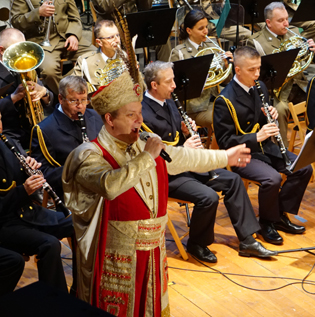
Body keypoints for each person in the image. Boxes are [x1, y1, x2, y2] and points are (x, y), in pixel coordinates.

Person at [62, 62, 256, 314]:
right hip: (114, 255)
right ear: (109, 119)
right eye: (131, 115)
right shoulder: (89, 155)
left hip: (153, 248)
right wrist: (147, 157)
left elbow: (182, 157)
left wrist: (225, 157)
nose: (140, 121)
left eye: (140, 113)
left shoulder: (141, 142)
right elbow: (109, 185)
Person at [142, 60, 276, 263]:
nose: (174, 86)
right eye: (169, 82)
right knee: (208, 197)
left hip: (188, 164)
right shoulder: (142, 113)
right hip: (166, 174)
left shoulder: (168, 100)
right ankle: (197, 243)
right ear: (154, 85)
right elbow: (157, 152)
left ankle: (247, 239)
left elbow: (173, 134)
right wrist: (184, 148)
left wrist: (185, 131)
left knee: (233, 180)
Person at [213, 46, 313, 246]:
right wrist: (256, 137)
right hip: (242, 153)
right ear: (238, 70)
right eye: (252, 70)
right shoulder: (224, 100)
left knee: (303, 168)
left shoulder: (260, 87)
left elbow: (263, 120)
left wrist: (272, 116)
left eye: (258, 68)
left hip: (266, 149)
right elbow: (225, 142)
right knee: (272, 179)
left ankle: (278, 216)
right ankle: (266, 222)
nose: (257, 74)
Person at [0, 111, 73, 292]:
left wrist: (29, 169)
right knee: (49, 244)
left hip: (27, 211)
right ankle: (54, 301)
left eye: (0, 119)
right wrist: (24, 190)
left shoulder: (7, 141)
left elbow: (17, 175)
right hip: (5, 223)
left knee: (76, 223)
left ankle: (81, 286)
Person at [246, 1, 315, 146]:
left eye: (286, 19)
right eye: (280, 20)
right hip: (276, 92)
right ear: (268, 23)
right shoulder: (255, 42)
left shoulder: (294, 33)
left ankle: (311, 144)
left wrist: (312, 51)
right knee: (280, 109)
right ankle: (282, 153)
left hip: (299, 85)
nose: (286, 24)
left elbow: (306, 61)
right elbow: (254, 75)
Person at [30, 76, 103, 202]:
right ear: (60, 99)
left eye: (84, 100)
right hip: (71, 195)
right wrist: (75, 168)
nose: (80, 106)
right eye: (74, 101)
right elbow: (43, 174)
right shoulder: (44, 130)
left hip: (102, 184)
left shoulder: (96, 116)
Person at [10, 0, 96, 96]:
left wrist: (74, 34)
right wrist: (38, 13)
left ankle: (69, 90)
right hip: (41, 42)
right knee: (49, 71)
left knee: (97, 56)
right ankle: (66, 98)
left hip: (67, 36)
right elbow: (16, 21)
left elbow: (75, 18)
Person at [169, 9, 233, 137]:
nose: (206, 31)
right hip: (194, 107)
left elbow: (226, 80)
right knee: (223, 121)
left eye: (206, 27)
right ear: (189, 30)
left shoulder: (211, 46)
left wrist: (227, 65)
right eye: (201, 28)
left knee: (237, 114)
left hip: (215, 100)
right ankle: (218, 156)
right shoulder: (179, 53)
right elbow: (174, 89)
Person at [0, 28, 54, 150]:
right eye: (16, 51)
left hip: (34, 128)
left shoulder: (27, 66)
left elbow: (50, 101)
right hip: (9, 133)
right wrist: (12, 98)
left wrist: (44, 92)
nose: (22, 55)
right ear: (1, 50)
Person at [72, 19, 122, 93]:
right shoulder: (86, 61)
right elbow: (71, 88)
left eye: (117, 35)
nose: (117, 40)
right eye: (111, 37)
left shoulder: (125, 57)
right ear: (99, 42)